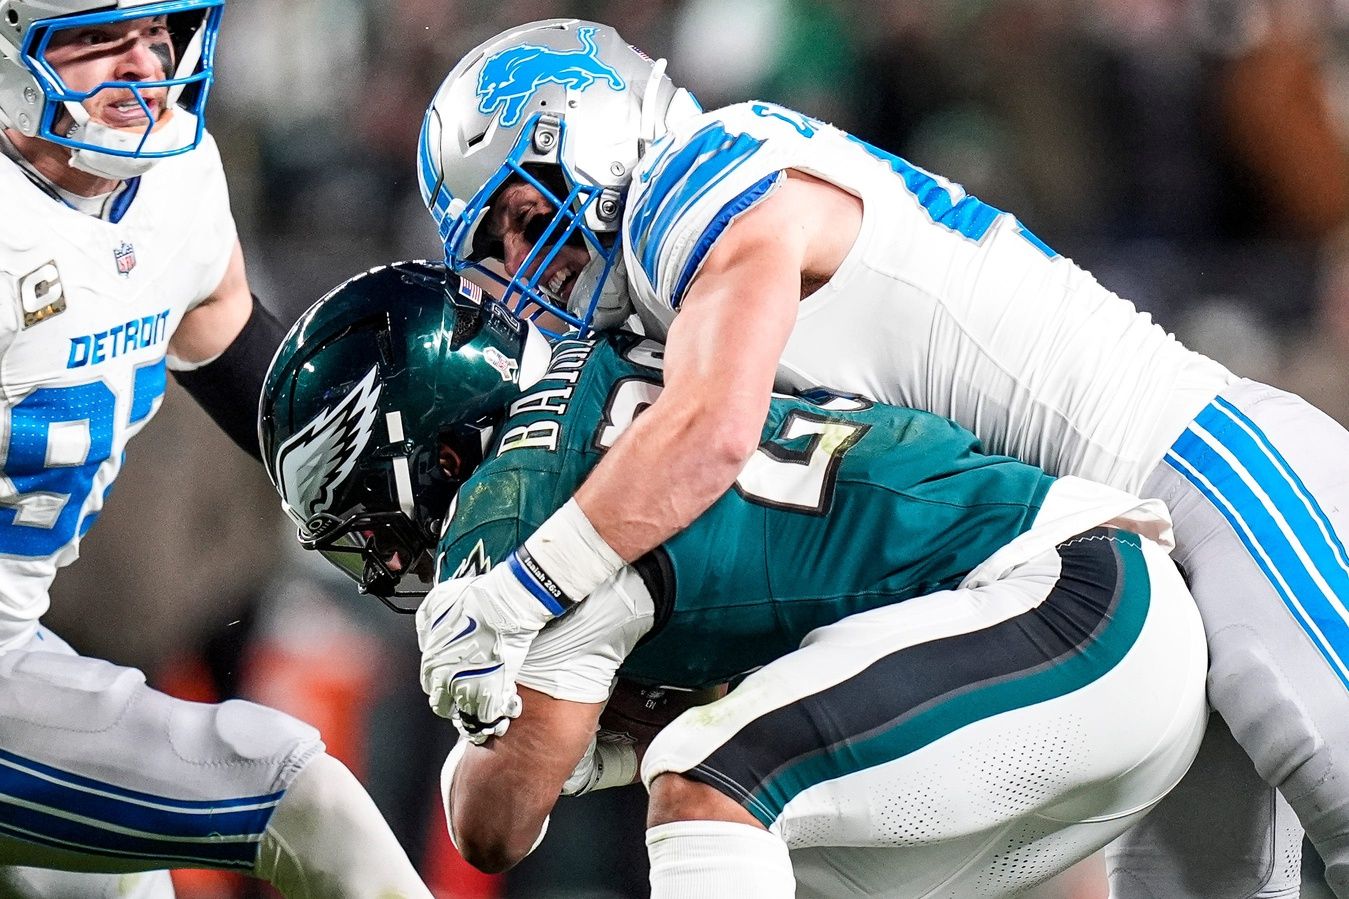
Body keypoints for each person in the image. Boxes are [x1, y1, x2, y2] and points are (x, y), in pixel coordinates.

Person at [417, 17, 1349, 899]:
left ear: (596, 136)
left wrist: (519, 591)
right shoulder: (671, 298)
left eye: (521, 214)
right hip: (1108, 559)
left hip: (1214, 467)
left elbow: (712, 433)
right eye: (495, 245)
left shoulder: (691, 184)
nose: (522, 259)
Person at [257, 260, 1209, 898]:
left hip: (1065, 609)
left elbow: (494, 821)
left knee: (706, 787)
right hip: (1093, 635)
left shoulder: (512, 501)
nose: (388, 561)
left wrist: (522, 737)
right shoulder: (619, 362)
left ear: (430, 448)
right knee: (782, 853)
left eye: (371, 525)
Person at [0, 2, 432, 896]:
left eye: (161, 34)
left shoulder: (176, 182)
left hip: (20, 648)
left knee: (128, 882)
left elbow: (247, 368)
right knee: (305, 801)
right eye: (100, 40)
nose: (144, 65)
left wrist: (444, 518)